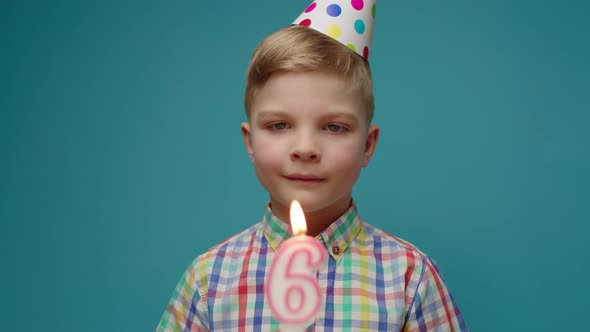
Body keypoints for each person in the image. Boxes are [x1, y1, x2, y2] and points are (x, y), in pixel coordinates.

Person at [157, 1, 467, 331]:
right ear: (250, 142)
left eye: (334, 127)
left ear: (368, 145)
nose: (305, 149)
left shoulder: (409, 278)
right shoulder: (209, 282)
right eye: (279, 125)